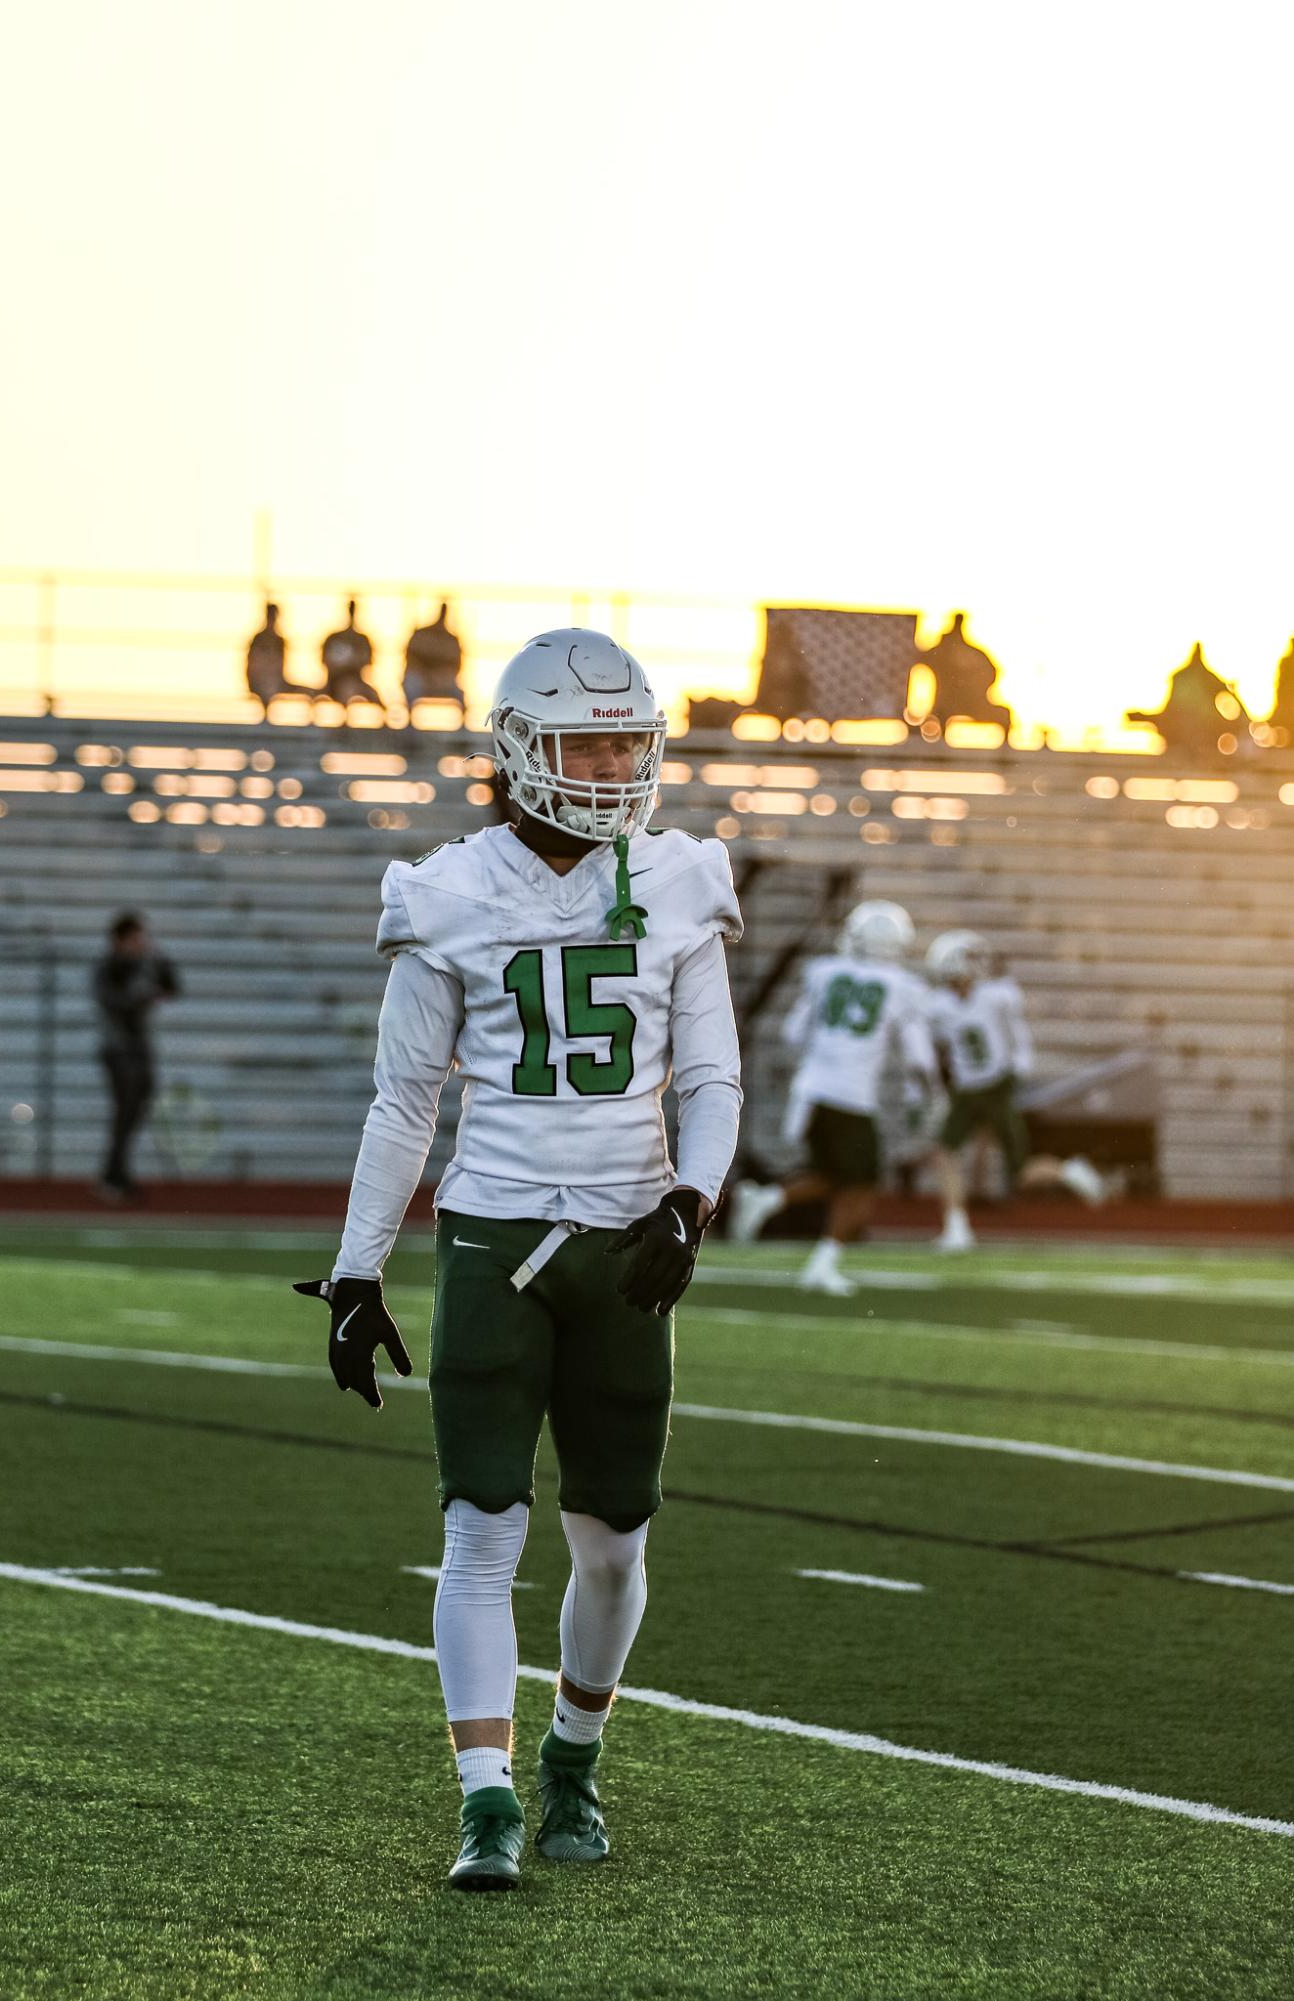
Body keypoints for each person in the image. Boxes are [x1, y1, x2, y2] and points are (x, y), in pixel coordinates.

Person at [294, 629, 743, 1892]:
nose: (610, 766)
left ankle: (573, 1761)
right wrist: (356, 1270)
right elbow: (402, 1104)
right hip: (494, 1238)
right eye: (585, 741)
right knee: (479, 1531)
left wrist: (688, 1203)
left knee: (611, 1543)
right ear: (516, 750)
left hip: (626, 1245)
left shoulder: (676, 882)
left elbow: (709, 1076)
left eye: (625, 741)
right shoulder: (448, 888)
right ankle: (483, 1801)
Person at [729, 901, 935, 1294]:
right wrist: (923, 1096)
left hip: (812, 1089)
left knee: (838, 1175)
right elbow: (918, 1057)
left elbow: (792, 1034)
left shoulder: (824, 973)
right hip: (851, 1096)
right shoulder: (903, 988)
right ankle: (820, 1262)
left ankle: (768, 1199)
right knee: (862, 1183)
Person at [925, 930, 1103, 1250]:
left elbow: (1018, 1037)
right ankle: (957, 1228)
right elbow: (938, 1048)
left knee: (1019, 1172)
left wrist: (1018, 1071)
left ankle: (1068, 1171)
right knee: (944, 1152)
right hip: (967, 1090)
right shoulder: (939, 1006)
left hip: (996, 1086)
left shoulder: (998, 996)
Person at [90, 913, 181, 1200]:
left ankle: (117, 1172)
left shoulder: (146, 964)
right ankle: (113, 1176)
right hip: (118, 1050)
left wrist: (160, 965)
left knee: (136, 1111)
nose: (141, 944)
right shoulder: (108, 968)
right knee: (125, 1111)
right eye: (135, 939)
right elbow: (115, 1003)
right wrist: (143, 992)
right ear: (119, 941)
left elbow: (173, 987)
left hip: (140, 1048)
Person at [320, 599, 385, 707]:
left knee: (371, 694)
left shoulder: (362, 639)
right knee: (346, 688)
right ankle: (342, 721)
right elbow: (325, 661)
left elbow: (368, 663)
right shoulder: (334, 637)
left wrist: (353, 663)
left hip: (356, 678)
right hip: (335, 680)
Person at [403, 601, 464, 708]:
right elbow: (410, 659)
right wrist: (426, 675)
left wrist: (440, 676)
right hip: (420, 678)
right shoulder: (421, 634)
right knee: (411, 684)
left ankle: (463, 724)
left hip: (442, 679)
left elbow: (457, 665)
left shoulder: (451, 639)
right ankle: (408, 720)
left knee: (458, 692)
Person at [245, 603, 300, 712]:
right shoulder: (258, 639)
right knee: (267, 688)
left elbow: (281, 667)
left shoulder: (279, 641)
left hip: (276, 681)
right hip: (259, 682)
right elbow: (253, 665)